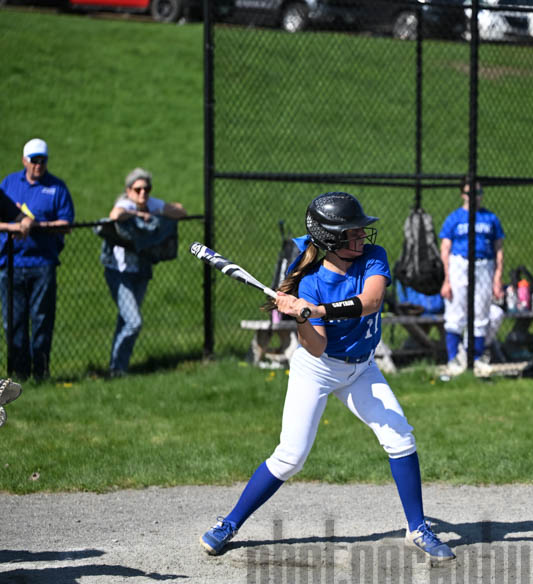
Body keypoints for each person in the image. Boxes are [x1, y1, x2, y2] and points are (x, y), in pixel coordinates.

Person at [199, 192, 455, 563]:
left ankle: (417, 528)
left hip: (362, 367)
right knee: (291, 457)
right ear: (331, 239)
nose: (361, 235)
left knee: (400, 437)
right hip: (318, 370)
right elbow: (316, 347)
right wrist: (300, 316)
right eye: (352, 231)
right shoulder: (310, 283)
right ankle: (230, 523)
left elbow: (372, 301)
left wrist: (318, 310)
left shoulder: (373, 257)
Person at [101, 168, 188, 377]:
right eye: (138, 189)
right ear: (128, 190)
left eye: (147, 189)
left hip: (140, 270)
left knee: (126, 321)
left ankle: (118, 369)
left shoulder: (152, 204)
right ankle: (117, 367)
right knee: (134, 322)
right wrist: (137, 214)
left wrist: (158, 212)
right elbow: (115, 215)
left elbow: (181, 212)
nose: (143, 193)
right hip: (119, 271)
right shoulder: (126, 204)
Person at [0, 139, 75, 381]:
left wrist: (37, 226)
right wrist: (14, 225)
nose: (38, 165)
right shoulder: (9, 184)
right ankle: (19, 373)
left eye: (43, 160)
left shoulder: (56, 188)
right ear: (24, 160)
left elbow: (66, 223)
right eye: (34, 160)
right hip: (11, 263)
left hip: (43, 262)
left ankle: (41, 372)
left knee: (42, 320)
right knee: (14, 321)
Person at [438, 178, 504, 375]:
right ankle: (453, 359)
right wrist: (446, 279)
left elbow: (499, 249)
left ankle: (475, 359)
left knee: (481, 313)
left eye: (478, 192)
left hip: (484, 265)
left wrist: (497, 278)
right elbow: (445, 249)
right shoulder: (454, 218)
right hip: (459, 264)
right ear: (463, 195)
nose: (475, 197)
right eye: (470, 193)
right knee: (455, 313)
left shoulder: (490, 218)